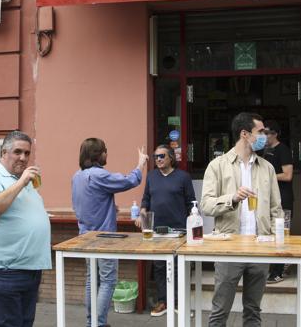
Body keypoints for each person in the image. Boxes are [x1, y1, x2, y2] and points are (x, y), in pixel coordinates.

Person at [201, 112, 282, 327]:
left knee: (253, 311)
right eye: (261, 132)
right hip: (229, 247)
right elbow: (206, 205)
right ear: (244, 134)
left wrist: (275, 242)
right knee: (219, 311)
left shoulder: (268, 168)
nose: (265, 135)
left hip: (260, 247)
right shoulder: (217, 166)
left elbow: (276, 210)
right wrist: (232, 198)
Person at [0, 131, 51, 327]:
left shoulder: (22, 178)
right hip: (3, 271)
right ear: (3, 152)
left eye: (27, 153)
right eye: (17, 152)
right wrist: (21, 182)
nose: (23, 158)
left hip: (28, 269)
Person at [72, 138, 148, 327]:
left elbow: (86, 204)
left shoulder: (77, 176)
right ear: (97, 154)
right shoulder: (99, 175)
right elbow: (130, 180)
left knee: (92, 280)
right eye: (105, 150)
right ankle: (98, 323)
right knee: (107, 281)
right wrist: (141, 163)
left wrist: (109, 208)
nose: (107, 154)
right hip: (103, 238)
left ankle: (92, 322)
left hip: (85, 236)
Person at [135, 145, 196, 317]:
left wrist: (193, 228)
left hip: (178, 229)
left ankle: (179, 302)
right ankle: (163, 301)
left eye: (162, 156)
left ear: (171, 157)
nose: (158, 159)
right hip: (156, 230)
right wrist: (142, 213)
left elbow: (191, 203)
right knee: (160, 267)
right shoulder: (152, 176)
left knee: (178, 267)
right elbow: (146, 198)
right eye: (155, 157)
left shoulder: (183, 177)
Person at [263, 120, 294, 284]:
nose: (264, 136)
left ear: (275, 134)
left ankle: (279, 271)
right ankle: (273, 268)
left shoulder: (283, 150)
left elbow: (288, 175)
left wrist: (267, 177)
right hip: (270, 201)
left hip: (284, 200)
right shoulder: (266, 151)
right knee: (271, 235)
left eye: (266, 133)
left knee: (283, 235)